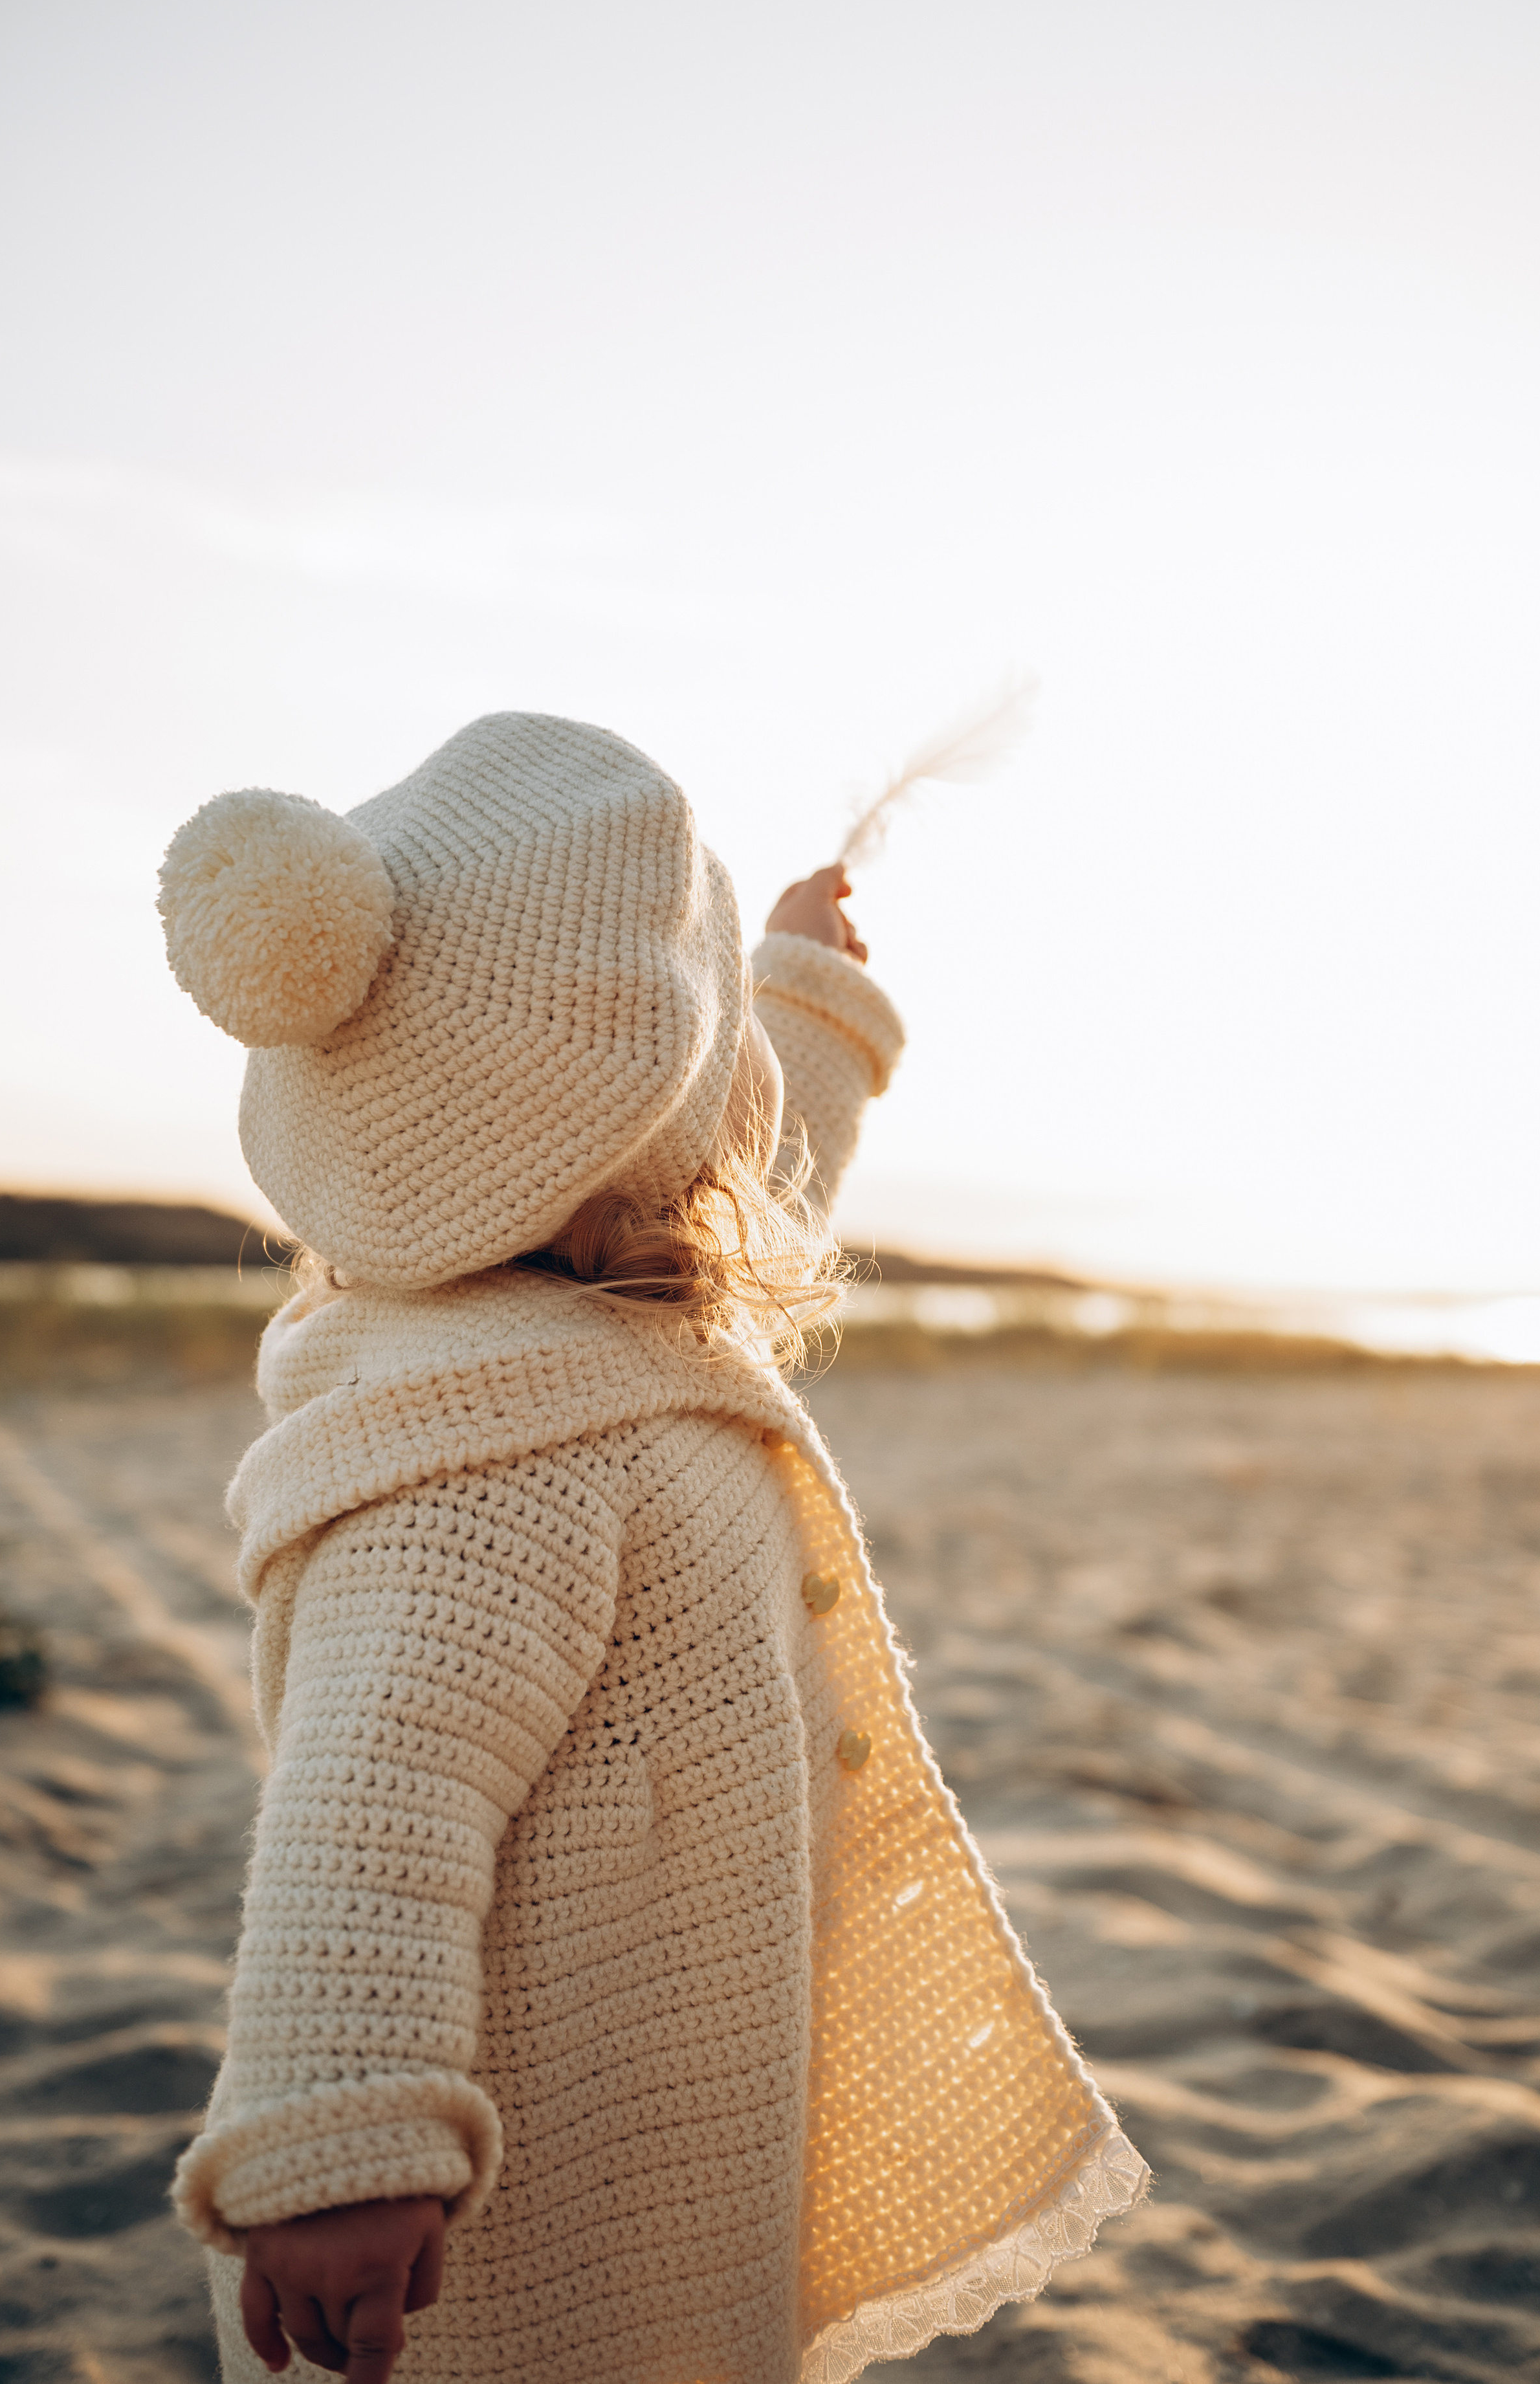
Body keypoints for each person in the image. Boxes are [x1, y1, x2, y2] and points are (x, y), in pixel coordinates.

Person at [157, 714, 1144, 2384]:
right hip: (508, 2191)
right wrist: (338, 2143)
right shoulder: (491, 1466)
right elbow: (371, 1803)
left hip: (663, 2090)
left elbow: (763, 1169)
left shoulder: (601, 1315)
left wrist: (806, 991)